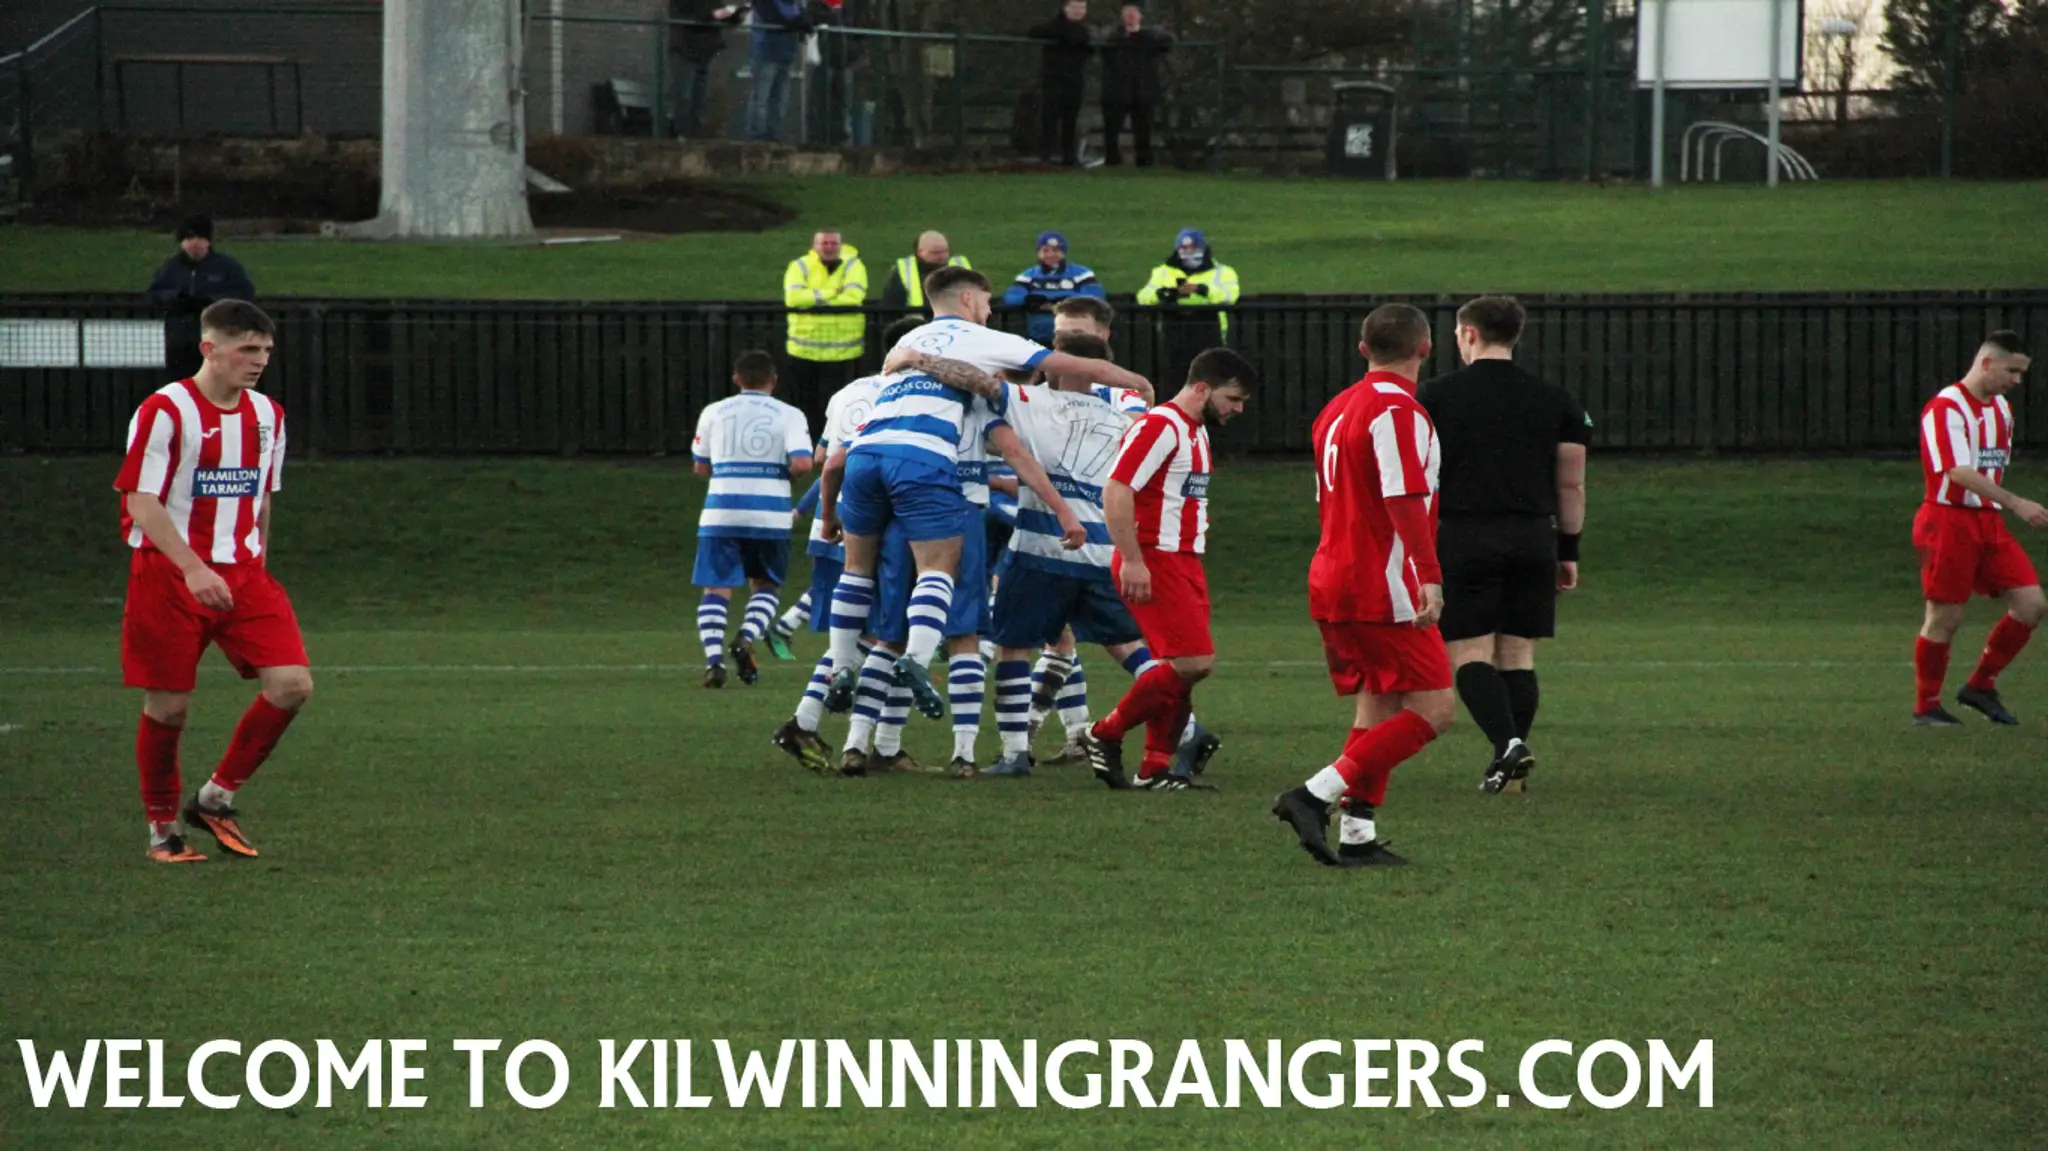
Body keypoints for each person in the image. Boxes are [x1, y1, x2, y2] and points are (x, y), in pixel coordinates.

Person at [817, 268, 1146, 730]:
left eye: (1071, 336)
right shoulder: (1002, 362)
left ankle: (839, 673)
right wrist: (1141, 383)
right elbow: (1011, 432)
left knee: (860, 574)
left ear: (1102, 334)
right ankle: (989, 721)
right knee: (980, 607)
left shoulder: (905, 344)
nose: (1058, 347)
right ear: (970, 299)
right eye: (1057, 337)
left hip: (869, 456)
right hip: (969, 493)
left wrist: (917, 357)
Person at [114, 300, 308, 864]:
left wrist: (258, 566)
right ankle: (161, 829)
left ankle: (215, 798)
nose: (259, 360)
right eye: (247, 348)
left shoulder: (268, 414)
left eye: (266, 350)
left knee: (292, 686)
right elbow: (140, 499)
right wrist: (192, 568)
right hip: (167, 575)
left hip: (244, 575)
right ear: (209, 349)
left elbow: (261, 496)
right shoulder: (166, 410)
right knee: (169, 708)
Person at [1272, 303, 1454, 868]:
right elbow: (1401, 498)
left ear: (1362, 349)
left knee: (1377, 705)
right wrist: (1429, 575)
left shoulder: (1335, 409)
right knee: (1435, 708)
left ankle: (1357, 833)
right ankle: (1311, 795)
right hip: (1381, 580)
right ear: (1425, 347)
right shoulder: (1398, 411)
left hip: (1335, 572)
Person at [1416, 296, 1590, 794]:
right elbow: (1572, 485)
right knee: (1517, 656)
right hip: (1534, 535)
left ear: (1468, 334)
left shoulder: (1434, 396)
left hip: (1467, 534)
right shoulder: (1557, 400)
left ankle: (1507, 746)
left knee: (1469, 653)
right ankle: (1509, 768)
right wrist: (1569, 550)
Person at [983, 333, 1175, 779]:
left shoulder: (1031, 400)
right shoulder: (1128, 417)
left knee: (1012, 644)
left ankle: (1014, 753)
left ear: (1068, 366)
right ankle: (1185, 732)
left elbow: (985, 390)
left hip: (1042, 546)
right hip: (1103, 551)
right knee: (1128, 646)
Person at [1080, 347, 1258, 790]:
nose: (1236, 409)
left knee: (1180, 665)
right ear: (1202, 388)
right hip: (1154, 557)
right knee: (1193, 662)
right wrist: (1135, 560)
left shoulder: (1195, 431)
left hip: (1181, 559)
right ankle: (1104, 732)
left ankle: (1155, 767)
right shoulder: (1161, 426)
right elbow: (1117, 490)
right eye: (1232, 398)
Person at [773, 316, 926, 776]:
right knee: (893, 636)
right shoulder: (917, 396)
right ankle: (874, 744)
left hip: (834, 521)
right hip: (881, 525)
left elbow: (824, 458)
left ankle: (809, 724)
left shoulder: (848, 392)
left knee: (860, 640)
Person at [1910, 329, 2045, 726]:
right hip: (1948, 521)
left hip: (1988, 521)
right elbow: (1959, 472)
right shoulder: (1946, 408)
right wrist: (2017, 502)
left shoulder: (2001, 409)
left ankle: (1980, 686)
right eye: (2012, 371)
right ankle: (1927, 706)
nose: (2016, 381)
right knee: (1945, 617)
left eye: (2022, 373)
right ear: (1987, 363)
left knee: (2031, 605)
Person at [691, 350, 814, 688]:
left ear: (736, 379)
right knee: (765, 584)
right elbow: (803, 463)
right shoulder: (790, 414)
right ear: (773, 380)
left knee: (716, 587)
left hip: (721, 511)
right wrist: (781, 479)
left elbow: (700, 467)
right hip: (769, 513)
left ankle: (714, 662)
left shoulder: (713, 411)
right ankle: (745, 637)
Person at [146, 215, 255, 383]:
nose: (194, 243)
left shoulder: (226, 267)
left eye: (200, 237)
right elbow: (154, 294)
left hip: (216, 341)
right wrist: (176, 299)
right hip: (179, 341)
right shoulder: (170, 268)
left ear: (209, 241)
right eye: (189, 238)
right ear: (181, 242)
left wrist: (212, 302)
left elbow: (244, 293)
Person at [1136, 228, 1239, 387]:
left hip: (1210, 335)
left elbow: (1229, 296)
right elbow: (1144, 297)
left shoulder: (1223, 272)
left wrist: (1201, 289)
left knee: (1210, 381)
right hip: (1173, 337)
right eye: (1184, 250)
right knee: (1174, 383)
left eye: (1194, 249)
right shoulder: (1162, 272)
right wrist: (1165, 294)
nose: (1189, 253)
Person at [782, 230, 868, 421]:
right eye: (824, 243)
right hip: (804, 350)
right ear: (814, 246)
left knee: (841, 410)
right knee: (804, 409)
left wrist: (814, 299)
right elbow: (794, 299)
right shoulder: (800, 266)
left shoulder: (854, 265)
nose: (829, 247)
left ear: (841, 245)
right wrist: (832, 292)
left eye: (833, 243)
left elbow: (853, 298)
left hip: (844, 351)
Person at [1098, 3, 1172, 167]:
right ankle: (1112, 162)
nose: (1131, 18)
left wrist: (1148, 33)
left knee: (1143, 130)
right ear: (1122, 17)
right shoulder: (1113, 39)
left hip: (1143, 91)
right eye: (1127, 14)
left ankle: (1144, 163)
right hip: (1116, 91)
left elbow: (1168, 42)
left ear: (1140, 16)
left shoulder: (1150, 38)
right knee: (1111, 130)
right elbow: (1102, 46)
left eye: (1134, 14)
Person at [1002, 231, 1108, 344]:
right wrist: (1029, 300)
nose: (1051, 255)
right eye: (1045, 250)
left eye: (1056, 250)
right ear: (1038, 253)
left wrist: (1061, 301)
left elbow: (1096, 295)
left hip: (1076, 338)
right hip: (1039, 337)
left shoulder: (1081, 274)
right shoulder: (1028, 276)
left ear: (1064, 252)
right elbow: (1011, 298)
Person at [1027, 0, 1093, 166]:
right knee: (1050, 118)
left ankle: (1069, 156)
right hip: (1054, 81)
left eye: (1082, 7)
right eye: (1075, 7)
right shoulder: (1054, 26)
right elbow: (1033, 32)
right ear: (1066, 8)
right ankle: (1045, 155)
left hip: (1075, 81)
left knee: (1070, 120)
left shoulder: (1084, 31)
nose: (1079, 11)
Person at [671, 0, 745, 138]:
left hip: (705, 51)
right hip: (685, 49)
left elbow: (719, 13)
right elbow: (689, 15)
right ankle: (682, 134)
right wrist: (713, 15)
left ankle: (694, 133)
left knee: (700, 96)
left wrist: (736, 16)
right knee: (685, 95)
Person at [745, 0, 808, 142]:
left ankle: (773, 134)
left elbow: (805, 20)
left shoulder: (796, 4)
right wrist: (796, 24)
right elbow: (772, 17)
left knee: (779, 100)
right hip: (766, 53)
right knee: (761, 98)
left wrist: (801, 23)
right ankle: (757, 135)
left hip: (787, 55)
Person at [878, 231, 972, 315]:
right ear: (920, 252)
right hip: (917, 329)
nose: (942, 256)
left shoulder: (961, 265)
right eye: (935, 253)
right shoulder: (904, 271)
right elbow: (891, 309)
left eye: (945, 251)